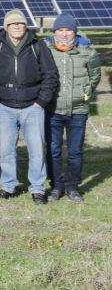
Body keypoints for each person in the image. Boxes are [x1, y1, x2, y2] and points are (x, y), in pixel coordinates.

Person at [0, 9, 59, 204]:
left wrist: (41, 101)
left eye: (20, 23)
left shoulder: (38, 45)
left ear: (26, 26)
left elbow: (50, 75)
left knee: (36, 149)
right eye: (12, 24)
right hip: (5, 107)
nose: (17, 27)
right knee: (6, 149)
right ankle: (8, 185)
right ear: (6, 27)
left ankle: (37, 188)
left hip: (32, 106)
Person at [44, 13, 102, 202]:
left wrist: (85, 93)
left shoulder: (87, 52)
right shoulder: (46, 50)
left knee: (75, 151)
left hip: (78, 110)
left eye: (68, 30)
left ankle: (73, 186)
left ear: (75, 32)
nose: (64, 34)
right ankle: (56, 186)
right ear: (55, 32)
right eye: (60, 30)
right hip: (53, 109)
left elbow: (94, 76)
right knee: (54, 149)